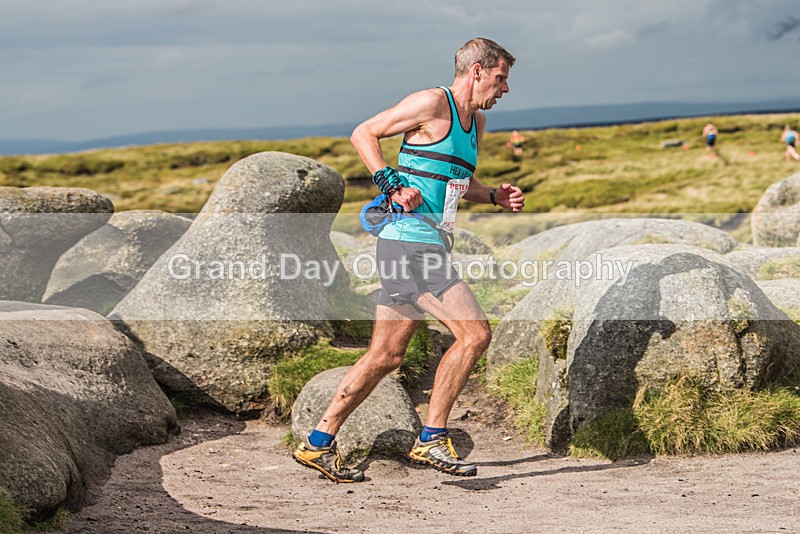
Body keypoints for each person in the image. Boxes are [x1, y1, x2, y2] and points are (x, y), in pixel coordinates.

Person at [292, 37, 524, 483]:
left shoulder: (475, 125)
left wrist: (492, 195)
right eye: (501, 78)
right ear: (476, 71)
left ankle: (317, 444)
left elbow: (454, 181)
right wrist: (391, 184)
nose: (505, 89)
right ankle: (431, 438)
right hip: (407, 241)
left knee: (384, 356)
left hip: (427, 243)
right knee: (474, 334)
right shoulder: (433, 102)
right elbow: (364, 132)